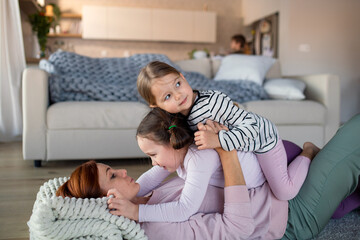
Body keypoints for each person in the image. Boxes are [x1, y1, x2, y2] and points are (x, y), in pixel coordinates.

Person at [56, 114, 360, 239]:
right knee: (355, 132)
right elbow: (238, 229)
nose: (123, 170)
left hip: (271, 193)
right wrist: (227, 154)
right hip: (287, 213)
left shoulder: (145, 197)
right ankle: (310, 153)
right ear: (110, 198)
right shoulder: (157, 225)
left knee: (348, 185)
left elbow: (159, 169)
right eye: (113, 175)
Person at [137, 61, 310, 201]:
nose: (178, 95)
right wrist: (133, 192)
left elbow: (252, 126)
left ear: (183, 77)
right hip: (241, 147)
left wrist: (219, 140)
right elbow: (165, 162)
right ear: (155, 105)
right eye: (167, 96)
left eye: (178, 84)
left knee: (284, 192)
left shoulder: (212, 104)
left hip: (261, 140)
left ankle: (309, 151)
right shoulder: (172, 118)